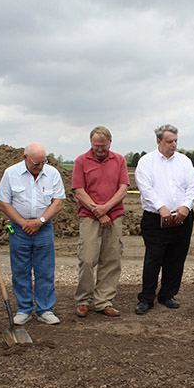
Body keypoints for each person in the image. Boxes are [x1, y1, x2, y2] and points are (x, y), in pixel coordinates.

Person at [134, 124, 194, 315]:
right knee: (154, 258)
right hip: (155, 219)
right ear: (159, 141)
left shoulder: (184, 161)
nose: (174, 144)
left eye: (176, 141)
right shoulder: (146, 162)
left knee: (177, 257)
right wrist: (160, 207)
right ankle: (147, 298)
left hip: (182, 217)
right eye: (170, 141)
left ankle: (167, 294)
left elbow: (193, 186)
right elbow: (145, 188)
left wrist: (186, 206)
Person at [0, 143, 66, 325]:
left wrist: (39, 222)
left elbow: (58, 202)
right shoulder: (11, 174)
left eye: (43, 162)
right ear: (25, 158)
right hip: (18, 229)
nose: (40, 166)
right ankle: (24, 309)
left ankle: (45, 309)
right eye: (37, 163)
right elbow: (4, 203)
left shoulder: (52, 174)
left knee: (45, 270)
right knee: (20, 270)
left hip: (44, 228)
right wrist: (23, 223)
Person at [72, 126, 129, 318]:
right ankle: (83, 300)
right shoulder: (81, 161)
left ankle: (103, 301)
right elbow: (79, 191)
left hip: (114, 215)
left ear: (110, 143)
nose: (100, 149)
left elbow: (122, 189)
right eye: (96, 145)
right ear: (91, 143)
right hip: (89, 216)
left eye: (103, 145)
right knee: (87, 258)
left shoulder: (119, 160)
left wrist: (107, 208)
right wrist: (98, 211)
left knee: (111, 259)